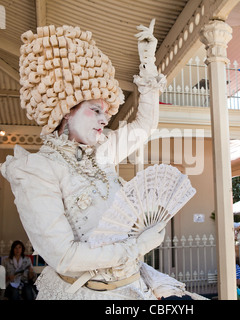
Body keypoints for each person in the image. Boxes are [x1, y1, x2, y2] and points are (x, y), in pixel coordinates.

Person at [0, 21, 205, 300]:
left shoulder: (103, 151)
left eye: (106, 112)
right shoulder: (36, 170)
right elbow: (64, 255)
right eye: (95, 109)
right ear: (65, 110)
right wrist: (136, 246)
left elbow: (145, 125)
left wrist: (147, 62)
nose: (104, 119)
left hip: (136, 284)